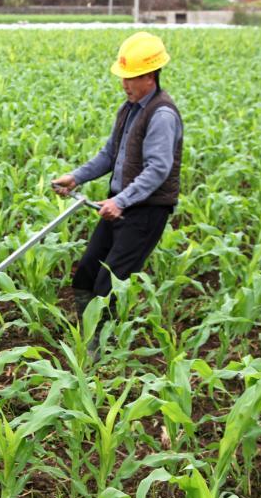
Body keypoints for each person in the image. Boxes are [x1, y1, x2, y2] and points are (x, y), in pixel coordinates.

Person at [52, 31, 183, 329]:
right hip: (120, 205)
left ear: (149, 76)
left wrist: (120, 201)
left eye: (131, 77)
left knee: (107, 283)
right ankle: (85, 331)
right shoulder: (128, 109)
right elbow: (110, 154)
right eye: (123, 76)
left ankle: (102, 349)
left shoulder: (161, 115)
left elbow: (158, 169)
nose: (124, 84)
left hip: (145, 212)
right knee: (86, 272)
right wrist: (75, 178)